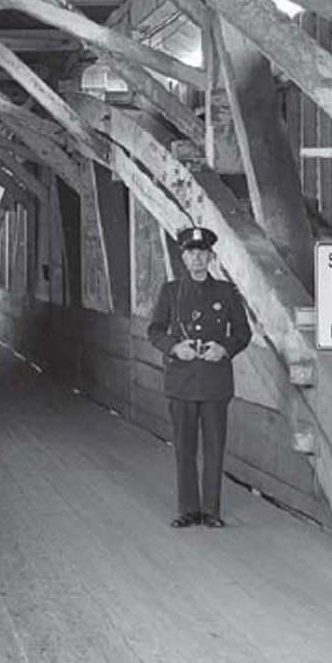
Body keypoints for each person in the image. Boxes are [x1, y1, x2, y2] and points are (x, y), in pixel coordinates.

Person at [147, 225, 251, 529]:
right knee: (184, 446)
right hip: (181, 380)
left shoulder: (226, 292)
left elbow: (243, 333)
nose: (196, 258)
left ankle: (211, 511)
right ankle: (188, 510)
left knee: (215, 447)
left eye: (202, 252)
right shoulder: (171, 291)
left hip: (215, 381)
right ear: (183, 256)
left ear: (210, 256)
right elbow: (154, 330)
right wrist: (174, 347)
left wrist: (225, 348)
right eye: (191, 252)